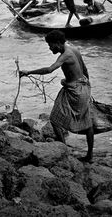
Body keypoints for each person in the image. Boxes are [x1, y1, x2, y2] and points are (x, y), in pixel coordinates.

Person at [19, 30, 94, 163]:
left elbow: (49, 70)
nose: (49, 48)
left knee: (54, 119)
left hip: (75, 91)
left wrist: (28, 72)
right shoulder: (74, 49)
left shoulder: (65, 55)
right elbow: (85, 70)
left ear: (58, 43)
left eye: (50, 45)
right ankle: (89, 155)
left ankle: (63, 150)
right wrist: (88, 90)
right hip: (83, 88)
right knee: (87, 123)